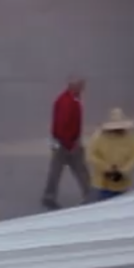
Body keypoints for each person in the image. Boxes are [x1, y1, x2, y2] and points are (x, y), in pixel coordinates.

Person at [42, 77, 90, 209]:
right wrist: (70, 144)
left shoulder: (68, 99)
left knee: (57, 170)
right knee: (80, 169)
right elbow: (63, 124)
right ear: (72, 85)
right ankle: (90, 194)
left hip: (64, 141)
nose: (83, 88)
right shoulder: (68, 102)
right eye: (80, 85)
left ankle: (49, 196)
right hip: (67, 142)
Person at [86, 108, 134, 201]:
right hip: (102, 184)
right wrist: (106, 168)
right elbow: (91, 155)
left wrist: (122, 171)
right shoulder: (98, 137)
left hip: (123, 184)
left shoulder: (131, 138)